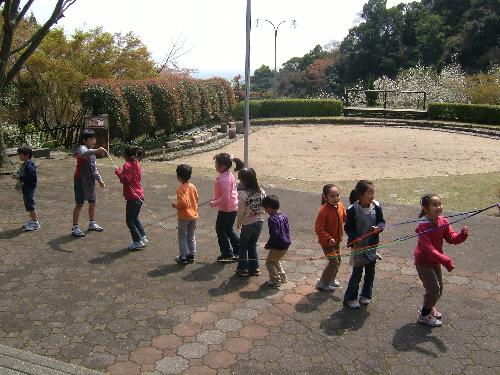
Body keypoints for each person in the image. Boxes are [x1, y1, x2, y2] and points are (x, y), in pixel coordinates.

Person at [414, 194, 468, 327]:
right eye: (435, 205)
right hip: (423, 262)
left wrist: (462, 235)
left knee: (439, 289)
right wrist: (446, 260)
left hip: (435, 261)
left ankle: (429, 306)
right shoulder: (423, 226)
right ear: (425, 209)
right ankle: (424, 315)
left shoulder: (443, 221)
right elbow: (428, 248)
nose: (439, 207)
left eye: (440, 204)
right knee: (433, 289)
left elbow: (451, 238)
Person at [344, 180, 385, 309]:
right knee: (357, 273)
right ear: (361, 195)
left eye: (373, 192)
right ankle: (350, 298)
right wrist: (354, 237)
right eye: (369, 192)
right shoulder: (352, 210)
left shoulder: (377, 207)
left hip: (372, 245)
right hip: (359, 247)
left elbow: (382, 222)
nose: (372, 195)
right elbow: (348, 228)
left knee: (370, 272)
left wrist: (378, 228)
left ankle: (366, 295)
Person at [71, 129, 106, 237]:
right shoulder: (82, 148)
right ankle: (75, 227)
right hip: (80, 180)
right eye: (91, 139)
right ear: (84, 140)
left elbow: (94, 169)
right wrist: (96, 150)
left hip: (90, 180)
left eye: (94, 138)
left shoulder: (92, 152)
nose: (93, 140)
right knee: (79, 203)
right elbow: (83, 154)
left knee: (92, 202)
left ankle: (92, 223)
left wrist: (99, 180)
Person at [209, 153, 243, 262]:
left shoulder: (224, 179)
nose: (215, 165)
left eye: (216, 163)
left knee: (220, 230)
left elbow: (225, 197)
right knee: (228, 229)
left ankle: (227, 253)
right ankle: (238, 250)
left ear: (222, 166)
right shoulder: (228, 174)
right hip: (231, 207)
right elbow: (224, 194)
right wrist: (215, 199)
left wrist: (214, 203)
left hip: (227, 209)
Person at [115, 146, 147, 250]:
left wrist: (118, 172)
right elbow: (136, 178)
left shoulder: (127, 165)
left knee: (130, 221)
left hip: (133, 197)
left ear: (127, 155)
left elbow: (126, 179)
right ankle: (142, 236)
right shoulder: (137, 164)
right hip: (140, 195)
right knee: (135, 217)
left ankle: (137, 241)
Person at [315, 184, 346, 291]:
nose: (335, 198)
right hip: (327, 243)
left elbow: (345, 217)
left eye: (337, 195)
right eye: (332, 196)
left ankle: (331, 279)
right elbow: (319, 229)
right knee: (334, 262)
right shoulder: (323, 211)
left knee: (338, 260)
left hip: (337, 240)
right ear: (325, 197)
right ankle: (323, 283)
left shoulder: (340, 205)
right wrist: (328, 238)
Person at [235, 168, 266, 276]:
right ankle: (255, 268)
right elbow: (265, 205)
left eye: (241, 180)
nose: (240, 182)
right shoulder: (261, 191)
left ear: (244, 181)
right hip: (260, 221)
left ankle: (243, 268)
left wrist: (238, 222)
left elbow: (240, 212)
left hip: (248, 223)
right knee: (252, 244)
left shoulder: (244, 195)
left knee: (243, 245)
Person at [172, 164, 199, 264]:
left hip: (184, 216)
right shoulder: (192, 186)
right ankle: (191, 254)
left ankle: (183, 256)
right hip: (193, 215)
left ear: (179, 176)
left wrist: (176, 205)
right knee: (191, 236)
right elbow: (196, 198)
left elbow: (183, 203)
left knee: (182, 237)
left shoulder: (180, 189)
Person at [262, 195, 291, 287]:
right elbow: (287, 229)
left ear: (269, 208)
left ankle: (275, 280)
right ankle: (283, 277)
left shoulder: (272, 219)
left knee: (269, 263)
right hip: (286, 244)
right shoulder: (283, 215)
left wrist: (268, 245)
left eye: (265, 209)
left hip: (278, 246)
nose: (265, 211)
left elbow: (274, 235)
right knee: (276, 260)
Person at [11, 145, 41, 231]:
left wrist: (18, 177)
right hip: (26, 187)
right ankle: (32, 220)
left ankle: (36, 223)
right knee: (28, 204)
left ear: (26, 155)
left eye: (20, 155)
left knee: (30, 204)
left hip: (29, 188)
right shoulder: (26, 164)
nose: (19, 156)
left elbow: (30, 178)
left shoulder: (29, 165)